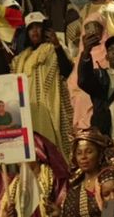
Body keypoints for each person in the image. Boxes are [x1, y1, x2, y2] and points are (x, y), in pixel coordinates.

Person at [11, 11, 72, 152]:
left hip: (50, 107)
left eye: (38, 27)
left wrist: (57, 46)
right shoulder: (20, 59)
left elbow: (66, 71)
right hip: (28, 110)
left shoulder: (53, 49)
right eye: (31, 28)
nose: (35, 31)